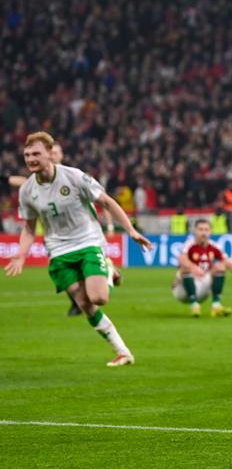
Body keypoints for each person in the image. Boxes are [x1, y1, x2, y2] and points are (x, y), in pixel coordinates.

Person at [4, 132, 152, 366]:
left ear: (50, 154)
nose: (31, 159)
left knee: (99, 298)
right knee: (84, 304)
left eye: (36, 154)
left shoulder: (73, 177)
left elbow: (107, 201)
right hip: (58, 252)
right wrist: (22, 255)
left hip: (87, 242)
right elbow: (30, 228)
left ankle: (109, 274)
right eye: (27, 155)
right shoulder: (27, 191)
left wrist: (130, 230)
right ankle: (123, 352)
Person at [8, 141, 121, 317]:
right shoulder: (36, 182)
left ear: (58, 155)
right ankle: (77, 302)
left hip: (85, 237)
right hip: (57, 239)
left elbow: (104, 201)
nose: (52, 156)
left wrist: (111, 224)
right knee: (69, 277)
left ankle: (104, 275)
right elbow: (25, 185)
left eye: (55, 153)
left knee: (95, 293)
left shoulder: (74, 177)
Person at [172, 219, 232, 317]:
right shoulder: (189, 244)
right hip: (183, 291)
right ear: (195, 231)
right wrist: (193, 268)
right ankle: (194, 305)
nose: (203, 233)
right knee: (185, 268)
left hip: (203, 287)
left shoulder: (214, 246)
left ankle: (216, 306)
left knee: (220, 267)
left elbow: (226, 260)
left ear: (210, 231)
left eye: (206, 230)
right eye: (200, 229)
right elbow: (182, 259)